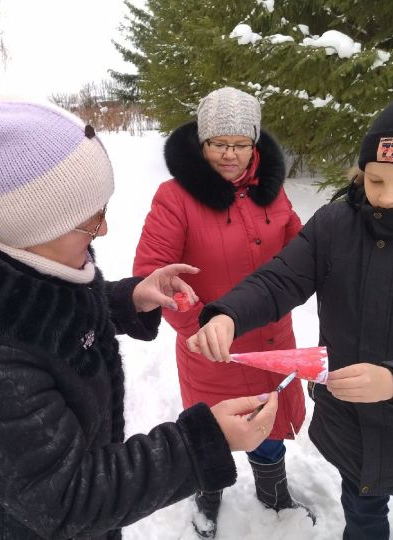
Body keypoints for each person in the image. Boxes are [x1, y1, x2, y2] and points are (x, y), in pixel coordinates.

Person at [0, 99, 279, 540]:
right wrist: (203, 443)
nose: (104, 230)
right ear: (28, 228)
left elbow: (39, 314)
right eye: (90, 220)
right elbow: (69, 496)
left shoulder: (10, 265)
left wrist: (126, 299)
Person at [189, 98, 393, 539]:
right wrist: (228, 315)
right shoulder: (337, 222)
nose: (386, 195)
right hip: (349, 424)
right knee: (362, 515)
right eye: (374, 179)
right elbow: (281, 278)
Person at [133, 86, 311, 537]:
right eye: (218, 143)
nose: (229, 154)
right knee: (212, 430)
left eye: (240, 144)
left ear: (254, 143)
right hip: (211, 345)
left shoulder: (272, 191)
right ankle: (206, 496)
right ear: (202, 142)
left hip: (272, 340)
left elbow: (301, 251)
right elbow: (154, 275)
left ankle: (273, 493)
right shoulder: (175, 197)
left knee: (269, 422)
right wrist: (198, 327)